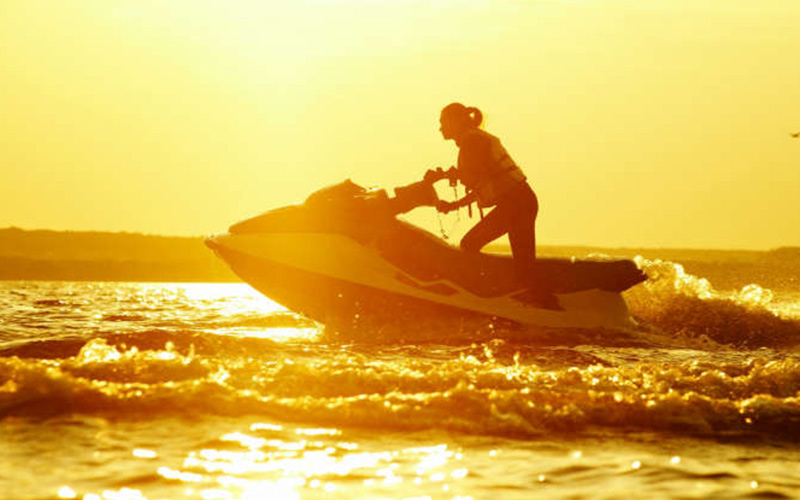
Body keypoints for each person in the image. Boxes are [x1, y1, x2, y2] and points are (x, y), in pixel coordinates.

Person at [426, 103, 540, 286]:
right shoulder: (472, 140)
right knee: (524, 264)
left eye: (443, 123)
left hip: (516, 205)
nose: (440, 128)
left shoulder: (472, 141)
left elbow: (477, 175)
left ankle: (485, 288)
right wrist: (453, 203)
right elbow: (483, 181)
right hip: (521, 202)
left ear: (457, 121)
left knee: (469, 244)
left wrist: (447, 177)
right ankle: (534, 293)